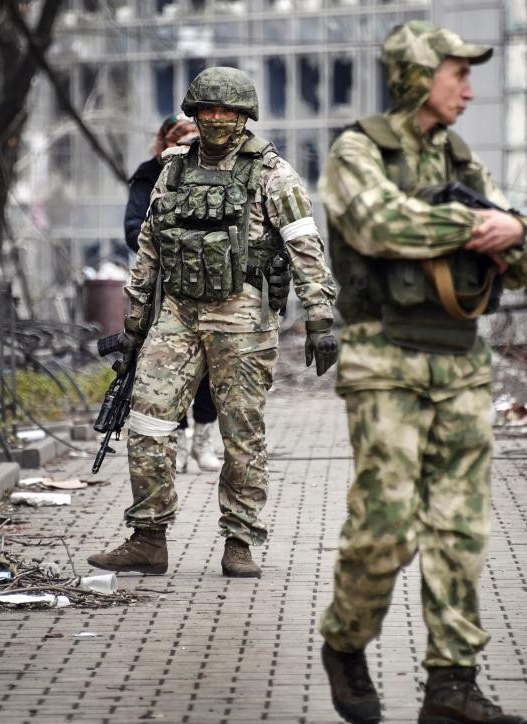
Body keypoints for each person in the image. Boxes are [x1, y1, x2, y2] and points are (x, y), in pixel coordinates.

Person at [316, 22, 527, 724]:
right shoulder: (358, 150)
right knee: (387, 528)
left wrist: (520, 233)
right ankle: (345, 642)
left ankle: (452, 685)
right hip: (383, 358)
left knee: (459, 529)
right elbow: (379, 226)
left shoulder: (463, 161)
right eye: (458, 75)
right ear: (419, 77)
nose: (469, 89)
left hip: (460, 363)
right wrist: (487, 227)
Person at [88, 66, 338, 578]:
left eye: (229, 111)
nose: (218, 119)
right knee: (147, 421)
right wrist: (135, 324)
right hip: (177, 315)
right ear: (194, 113)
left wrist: (320, 318)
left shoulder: (273, 175)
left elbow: (306, 249)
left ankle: (240, 541)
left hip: (243, 321)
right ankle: (149, 537)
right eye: (208, 110)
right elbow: (150, 249)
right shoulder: (174, 169)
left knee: (242, 434)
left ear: (246, 116)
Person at [125, 113, 222, 473]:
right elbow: (134, 228)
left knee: (212, 368)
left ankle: (203, 441)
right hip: (165, 288)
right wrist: (174, 247)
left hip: (213, 288)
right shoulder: (151, 173)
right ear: (165, 142)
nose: (187, 147)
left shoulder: (218, 172)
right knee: (168, 370)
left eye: (193, 139)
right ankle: (178, 442)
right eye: (179, 140)